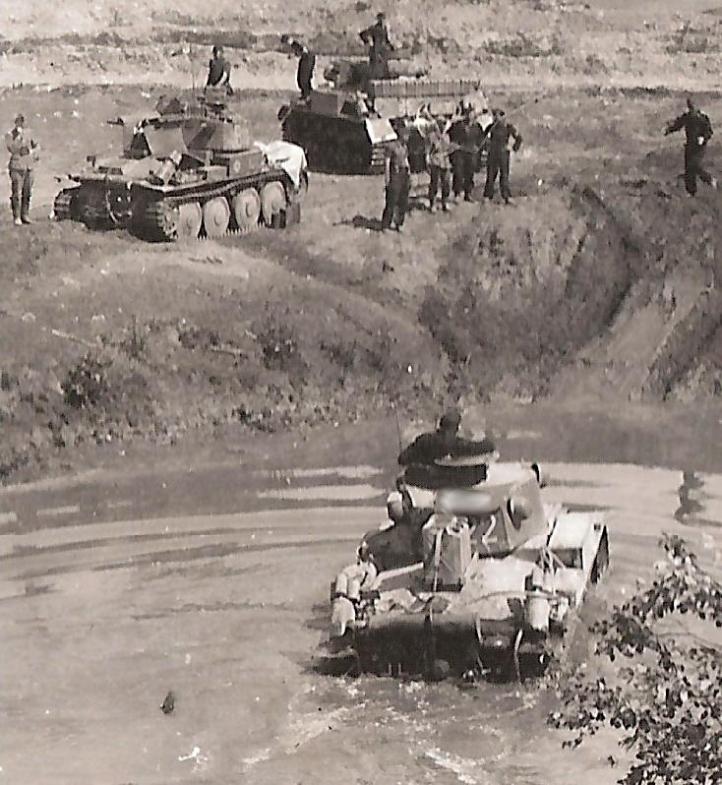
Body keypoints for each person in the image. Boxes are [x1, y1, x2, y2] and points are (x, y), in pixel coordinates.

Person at [398, 409, 496, 466]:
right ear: (457, 428)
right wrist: (482, 437)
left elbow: (402, 459)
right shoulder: (458, 444)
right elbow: (488, 446)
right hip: (448, 485)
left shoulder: (424, 440)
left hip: (426, 483)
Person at [665, 98, 717, 196]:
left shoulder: (702, 117)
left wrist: (703, 138)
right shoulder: (687, 117)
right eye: (690, 106)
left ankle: (710, 179)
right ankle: (691, 192)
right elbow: (678, 125)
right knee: (688, 170)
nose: (691, 108)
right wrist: (668, 130)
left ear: (696, 106)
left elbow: (709, 131)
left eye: (692, 106)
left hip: (700, 147)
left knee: (694, 165)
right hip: (689, 145)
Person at [482, 107, 522, 204]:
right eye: (494, 116)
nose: (495, 118)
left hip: (503, 153)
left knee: (504, 175)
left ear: (503, 117)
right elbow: (483, 139)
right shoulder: (490, 127)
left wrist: (513, 148)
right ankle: (487, 196)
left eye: (498, 116)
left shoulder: (509, 127)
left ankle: (506, 197)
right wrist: (486, 147)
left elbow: (519, 138)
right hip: (493, 153)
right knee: (491, 175)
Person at [5, 113, 39, 226]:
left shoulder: (29, 133)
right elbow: (12, 148)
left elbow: (37, 146)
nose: (21, 123)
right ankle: (17, 216)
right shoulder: (10, 135)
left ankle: (25, 215)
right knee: (16, 193)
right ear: (15, 122)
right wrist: (19, 137)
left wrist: (33, 153)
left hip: (29, 166)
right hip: (17, 167)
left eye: (22, 121)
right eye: (18, 121)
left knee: (27, 192)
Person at [448, 107, 481, 202]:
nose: (471, 116)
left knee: (469, 174)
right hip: (460, 152)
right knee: (458, 173)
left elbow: (481, 138)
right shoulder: (458, 125)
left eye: (473, 114)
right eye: (469, 114)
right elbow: (450, 135)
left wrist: (478, 146)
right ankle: (457, 193)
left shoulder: (477, 126)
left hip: (471, 152)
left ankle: (468, 193)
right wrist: (455, 145)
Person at [381, 126, 411, 232]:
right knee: (391, 200)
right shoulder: (391, 146)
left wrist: (409, 173)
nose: (408, 137)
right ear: (401, 135)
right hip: (395, 174)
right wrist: (387, 178)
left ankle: (399, 223)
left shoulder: (404, 146)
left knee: (403, 200)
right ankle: (386, 224)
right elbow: (387, 162)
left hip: (404, 174)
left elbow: (406, 160)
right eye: (406, 134)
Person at [427, 117, 452, 212]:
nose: (443, 125)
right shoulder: (432, 136)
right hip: (435, 161)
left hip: (445, 161)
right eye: (441, 123)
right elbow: (430, 149)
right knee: (435, 183)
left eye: (444, 123)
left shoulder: (447, 136)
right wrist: (428, 161)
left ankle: (445, 202)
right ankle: (432, 204)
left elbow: (448, 147)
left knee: (446, 183)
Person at [359, 12, 395, 80]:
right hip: (376, 48)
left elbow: (386, 39)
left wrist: (391, 46)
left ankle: (383, 77)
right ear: (378, 19)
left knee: (383, 64)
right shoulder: (374, 28)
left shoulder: (384, 28)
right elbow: (362, 34)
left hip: (382, 48)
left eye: (383, 19)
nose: (382, 20)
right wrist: (367, 42)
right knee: (375, 64)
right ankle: (374, 78)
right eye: (380, 19)